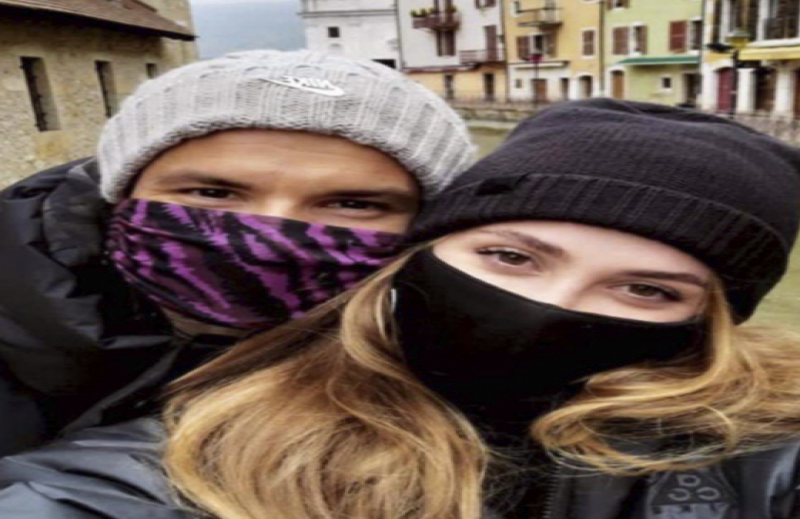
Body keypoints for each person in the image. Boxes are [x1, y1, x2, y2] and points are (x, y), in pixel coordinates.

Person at [2, 99, 800, 519]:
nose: (550, 306)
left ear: (713, 320)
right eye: (511, 257)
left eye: (648, 289)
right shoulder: (212, 439)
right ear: (416, 262)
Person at [0, 49, 474, 457]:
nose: (270, 236)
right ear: (120, 196)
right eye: (212, 192)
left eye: (353, 204)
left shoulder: (461, 370)